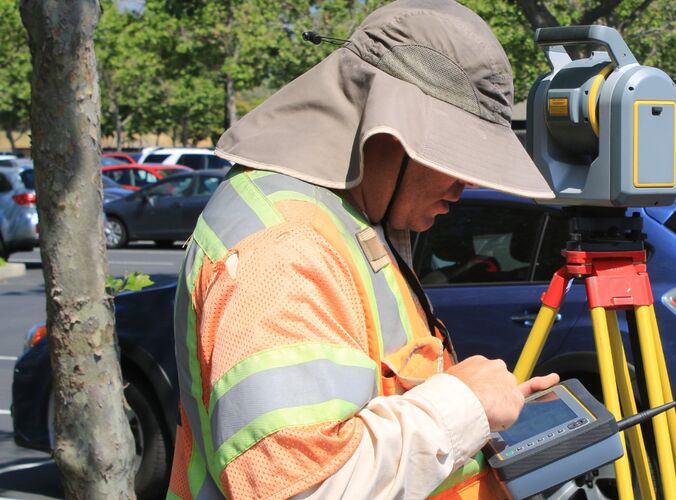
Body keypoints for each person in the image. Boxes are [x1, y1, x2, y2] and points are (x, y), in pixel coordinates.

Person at [166, 1, 560, 498]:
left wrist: (475, 411)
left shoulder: (343, 217)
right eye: (454, 157)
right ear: (389, 131)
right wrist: (465, 404)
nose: (464, 187)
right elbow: (297, 485)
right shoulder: (290, 246)